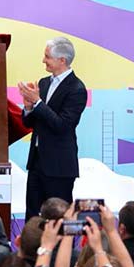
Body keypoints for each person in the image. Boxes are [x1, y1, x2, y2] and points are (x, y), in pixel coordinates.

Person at [18, 37, 87, 217]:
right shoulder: (43, 83)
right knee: (32, 216)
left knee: (59, 218)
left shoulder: (77, 89)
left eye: (47, 57)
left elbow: (62, 126)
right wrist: (28, 107)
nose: (43, 60)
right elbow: (30, 123)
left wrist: (37, 103)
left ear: (62, 60)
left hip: (59, 167)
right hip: (37, 162)